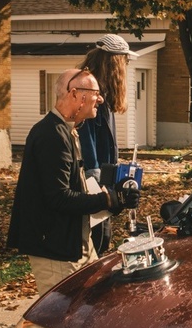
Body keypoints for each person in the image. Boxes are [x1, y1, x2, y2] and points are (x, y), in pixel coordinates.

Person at [8, 69, 140, 295]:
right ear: (76, 94)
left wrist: (114, 198)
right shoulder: (51, 135)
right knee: (63, 317)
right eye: (96, 93)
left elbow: (76, 189)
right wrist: (108, 199)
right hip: (54, 248)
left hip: (76, 241)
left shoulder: (68, 131)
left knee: (89, 307)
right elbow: (59, 198)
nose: (100, 99)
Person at [77, 34, 137, 255]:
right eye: (125, 61)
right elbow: (86, 137)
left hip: (105, 175)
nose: (126, 66)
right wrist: (96, 180)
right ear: (114, 62)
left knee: (103, 237)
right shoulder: (90, 93)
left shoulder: (103, 94)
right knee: (98, 239)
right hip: (94, 179)